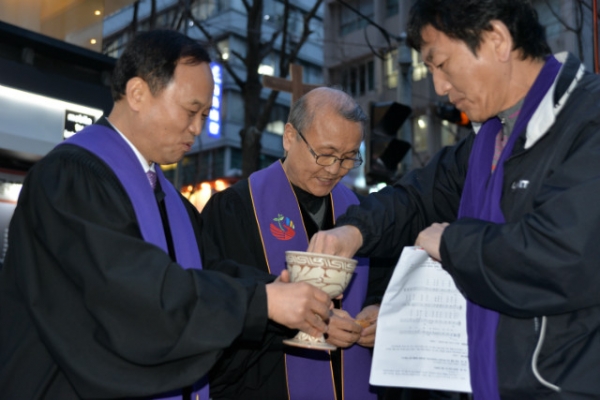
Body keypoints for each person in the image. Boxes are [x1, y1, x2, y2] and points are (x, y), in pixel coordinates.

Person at [0, 29, 333, 400]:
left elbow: (207, 272)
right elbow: (133, 293)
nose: (198, 128)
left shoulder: (169, 199)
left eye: (205, 114)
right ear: (138, 93)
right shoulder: (71, 177)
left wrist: (283, 294)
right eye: (191, 111)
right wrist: (263, 303)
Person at [307, 0, 600, 399]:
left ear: (496, 39)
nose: (440, 87)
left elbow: (562, 256)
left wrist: (451, 243)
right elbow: (416, 196)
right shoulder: (489, 139)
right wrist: (353, 232)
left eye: (440, 63)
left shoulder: (588, 120)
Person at [201, 87, 386, 400]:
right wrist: (311, 326)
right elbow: (220, 302)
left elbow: (379, 282)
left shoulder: (358, 215)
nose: (333, 170)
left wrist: (375, 313)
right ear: (289, 137)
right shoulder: (235, 208)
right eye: (325, 154)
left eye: (347, 158)